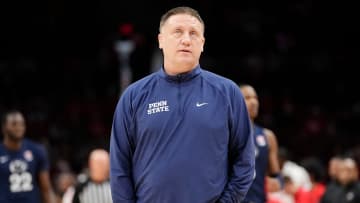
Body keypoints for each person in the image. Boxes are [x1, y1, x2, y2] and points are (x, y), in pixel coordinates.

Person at [109, 6, 255, 203]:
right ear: (161, 40)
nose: (186, 39)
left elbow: (244, 161)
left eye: (194, 34)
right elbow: (120, 168)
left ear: (202, 43)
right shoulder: (134, 96)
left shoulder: (227, 93)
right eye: (177, 32)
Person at [239, 84, 283, 203]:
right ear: (236, 102)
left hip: (258, 199)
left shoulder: (268, 136)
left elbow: (276, 174)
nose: (253, 102)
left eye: (255, 98)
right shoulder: (225, 134)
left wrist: (277, 182)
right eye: (247, 98)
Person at [0, 110, 55, 203]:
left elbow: (46, 188)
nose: (19, 127)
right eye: (14, 124)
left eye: (22, 124)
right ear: (4, 127)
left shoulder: (37, 150)